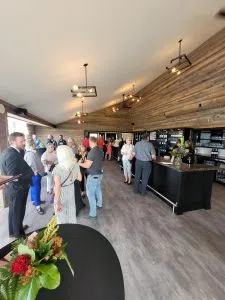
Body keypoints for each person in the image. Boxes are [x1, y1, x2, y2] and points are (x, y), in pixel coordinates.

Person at [0, 132, 34, 238]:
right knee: (17, 212)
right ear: (13, 142)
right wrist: (29, 173)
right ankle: (19, 236)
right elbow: (13, 175)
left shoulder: (11, 151)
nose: (24, 143)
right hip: (17, 189)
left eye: (24, 140)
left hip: (15, 188)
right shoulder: (11, 154)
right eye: (21, 141)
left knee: (14, 211)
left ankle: (14, 230)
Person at [52, 145, 81, 224]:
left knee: (61, 217)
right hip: (71, 190)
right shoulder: (75, 164)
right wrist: (71, 179)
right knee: (71, 213)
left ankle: (63, 233)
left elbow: (58, 187)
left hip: (62, 194)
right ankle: (73, 231)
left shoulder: (57, 169)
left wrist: (57, 203)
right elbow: (80, 178)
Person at [79, 137, 103, 219]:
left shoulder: (92, 151)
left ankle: (93, 214)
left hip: (93, 175)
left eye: (88, 142)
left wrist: (79, 163)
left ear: (90, 142)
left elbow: (87, 165)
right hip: (99, 174)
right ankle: (99, 204)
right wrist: (85, 161)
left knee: (90, 195)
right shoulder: (100, 149)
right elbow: (93, 161)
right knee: (98, 189)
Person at [24, 139, 45, 215]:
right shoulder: (30, 154)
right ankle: (38, 206)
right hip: (35, 175)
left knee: (34, 188)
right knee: (36, 189)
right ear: (32, 144)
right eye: (35, 144)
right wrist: (36, 173)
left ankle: (35, 201)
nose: (36, 145)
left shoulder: (31, 152)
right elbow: (31, 165)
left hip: (35, 174)